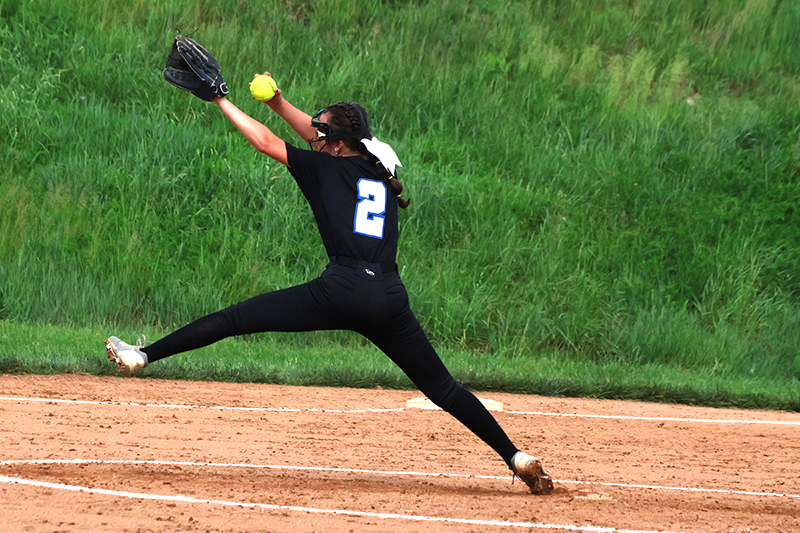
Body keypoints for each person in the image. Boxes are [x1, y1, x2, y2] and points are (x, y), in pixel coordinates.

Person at [105, 75, 554, 495]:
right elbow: (319, 135)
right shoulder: (380, 163)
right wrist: (278, 101)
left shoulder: (324, 168)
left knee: (235, 318)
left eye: (322, 134)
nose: (314, 137)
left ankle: (143, 355)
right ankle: (516, 457)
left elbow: (265, 142)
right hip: (389, 296)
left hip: (341, 290)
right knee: (445, 389)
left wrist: (220, 99)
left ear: (337, 144)